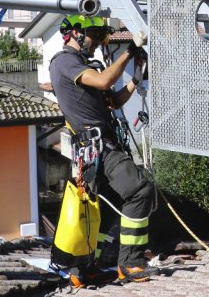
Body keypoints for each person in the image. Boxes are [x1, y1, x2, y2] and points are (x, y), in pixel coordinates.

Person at [49, 15, 155, 283]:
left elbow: (114, 100)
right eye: (93, 34)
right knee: (139, 190)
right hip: (98, 147)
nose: (97, 41)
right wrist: (129, 50)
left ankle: (83, 267)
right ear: (74, 33)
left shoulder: (86, 66)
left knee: (101, 210)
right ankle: (130, 262)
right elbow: (105, 82)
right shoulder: (64, 62)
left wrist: (136, 77)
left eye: (100, 35)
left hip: (98, 147)